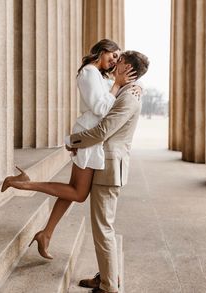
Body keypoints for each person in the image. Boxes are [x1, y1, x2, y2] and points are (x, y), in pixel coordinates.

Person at [1, 39, 136, 259]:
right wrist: (117, 85)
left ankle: (46, 233)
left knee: (73, 190)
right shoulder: (89, 73)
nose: (114, 61)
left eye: (117, 59)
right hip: (88, 138)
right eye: (113, 56)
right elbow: (101, 108)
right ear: (103, 51)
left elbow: (108, 103)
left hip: (92, 140)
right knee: (79, 193)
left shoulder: (100, 75)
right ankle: (23, 184)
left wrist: (121, 84)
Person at [66, 50, 149, 293]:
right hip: (109, 166)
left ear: (128, 69)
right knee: (104, 227)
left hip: (110, 167)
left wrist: (72, 140)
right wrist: (137, 84)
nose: (115, 62)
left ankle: (108, 287)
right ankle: (107, 276)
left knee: (103, 228)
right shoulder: (127, 90)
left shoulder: (129, 97)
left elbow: (103, 131)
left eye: (120, 61)